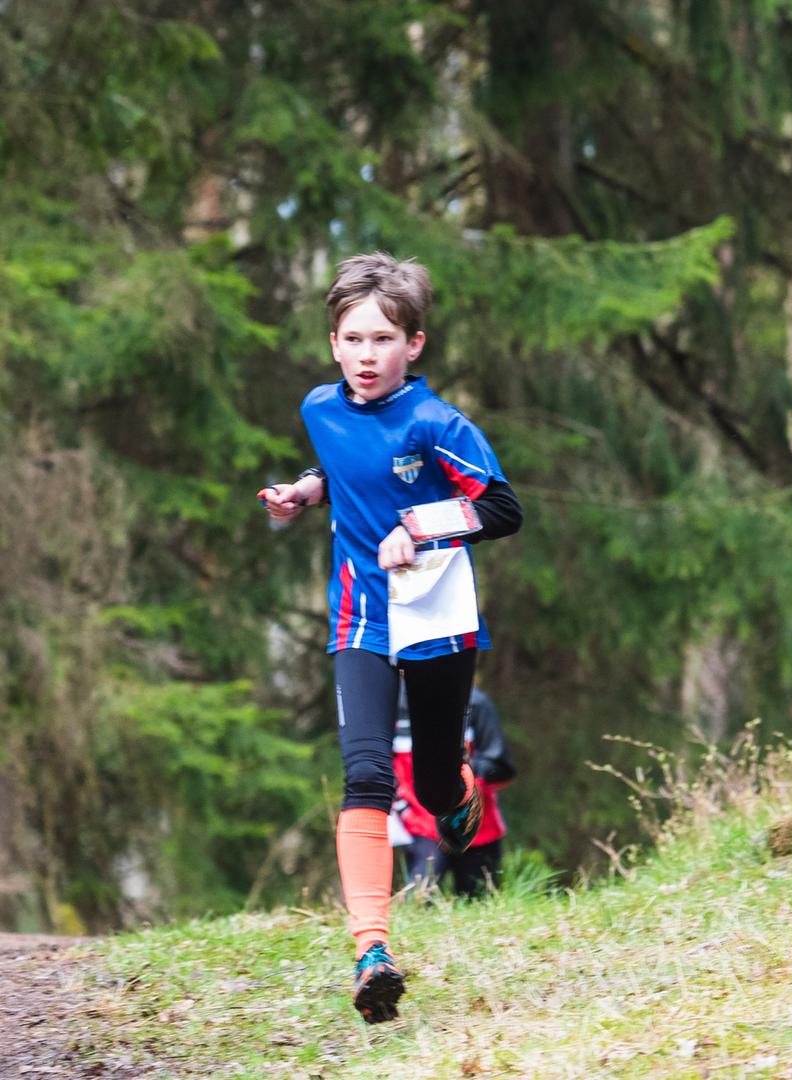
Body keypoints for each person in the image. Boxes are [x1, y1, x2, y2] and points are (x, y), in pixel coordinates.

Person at [257, 253, 523, 1024]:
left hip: (437, 617)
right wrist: (305, 492)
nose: (366, 355)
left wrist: (422, 528)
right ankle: (372, 950)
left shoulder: (439, 424)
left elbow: (503, 509)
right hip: (360, 619)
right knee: (367, 776)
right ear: (333, 344)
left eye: (383, 339)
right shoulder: (320, 409)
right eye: (352, 338)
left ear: (415, 345)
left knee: (435, 787)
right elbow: (347, 464)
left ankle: (460, 791)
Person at [392, 686, 516, 898]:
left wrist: (460, 770)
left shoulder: (475, 702)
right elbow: (378, 767)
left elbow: (501, 767)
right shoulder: (390, 705)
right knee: (418, 903)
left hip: (476, 828)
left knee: (481, 907)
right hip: (419, 827)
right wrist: (402, 809)